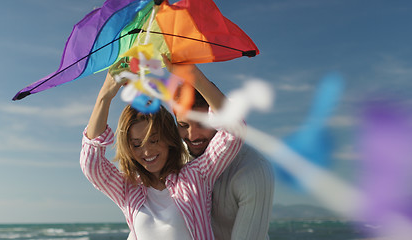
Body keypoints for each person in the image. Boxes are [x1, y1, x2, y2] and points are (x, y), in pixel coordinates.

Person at [80, 61, 243, 240]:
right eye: (136, 144)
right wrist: (105, 96)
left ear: (168, 139)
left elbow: (234, 130)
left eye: (154, 140)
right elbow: (91, 165)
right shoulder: (127, 189)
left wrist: (194, 77)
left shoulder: (196, 176)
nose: (147, 152)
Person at [167, 61, 275, 240]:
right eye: (183, 125)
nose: (192, 136)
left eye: (202, 124)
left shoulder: (254, 169)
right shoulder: (178, 162)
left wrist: (193, 74)